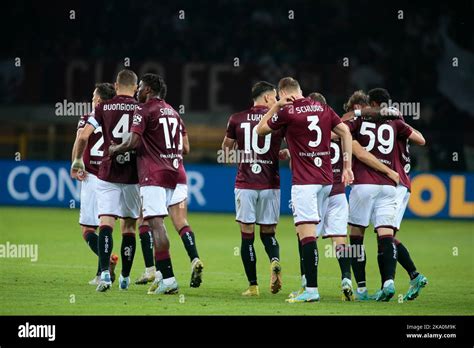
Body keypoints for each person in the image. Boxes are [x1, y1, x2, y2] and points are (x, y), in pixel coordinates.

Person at [256, 77, 353, 303]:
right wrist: (347, 166)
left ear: (282, 93)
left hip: (305, 183)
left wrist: (276, 107)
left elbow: (261, 130)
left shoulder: (288, 111)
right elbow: (346, 133)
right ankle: (318, 283)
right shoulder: (323, 108)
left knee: (306, 236)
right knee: (322, 235)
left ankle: (311, 289)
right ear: (301, 90)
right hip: (327, 182)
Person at [344, 88, 426, 301]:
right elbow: (421, 139)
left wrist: (359, 115)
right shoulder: (396, 122)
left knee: (356, 236)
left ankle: (362, 289)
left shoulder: (359, 122)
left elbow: (340, 129)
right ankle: (389, 282)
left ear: (370, 103)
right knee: (386, 237)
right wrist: (398, 117)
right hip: (392, 184)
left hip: (369, 182)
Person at [109, 73, 183, 295]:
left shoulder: (144, 109)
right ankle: (161, 275)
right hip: (173, 172)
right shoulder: (172, 111)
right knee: (155, 224)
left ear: (148, 89)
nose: (138, 90)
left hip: (154, 173)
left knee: (156, 224)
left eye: (140, 86)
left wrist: (114, 149)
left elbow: (133, 140)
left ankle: (168, 278)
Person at [72, 70, 141, 292]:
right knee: (129, 226)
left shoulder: (102, 109)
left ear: (116, 84)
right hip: (132, 174)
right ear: (136, 87)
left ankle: (103, 274)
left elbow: (83, 136)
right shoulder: (142, 108)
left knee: (105, 224)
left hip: (106, 173)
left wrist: (77, 162)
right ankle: (125, 279)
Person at [222, 81, 285, 296]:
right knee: (268, 234)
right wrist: (278, 154)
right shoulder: (278, 119)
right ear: (267, 98)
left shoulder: (236, 118)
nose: (277, 101)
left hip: (246, 184)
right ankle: (275, 260)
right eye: (275, 97)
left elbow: (226, 150)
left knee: (246, 236)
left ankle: (253, 286)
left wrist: (242, 160)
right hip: (271, 184)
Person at [71, 83, 118, 285]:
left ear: (98, 100)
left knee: (88, 229)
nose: (91, 99)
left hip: (91, 177)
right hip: (112, 177)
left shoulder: (88, 119)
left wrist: (75, 163)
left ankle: (103, 270)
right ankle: (103, 272)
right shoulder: (118, 119)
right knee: (106, 225)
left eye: (93, 96)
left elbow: (80, 139)